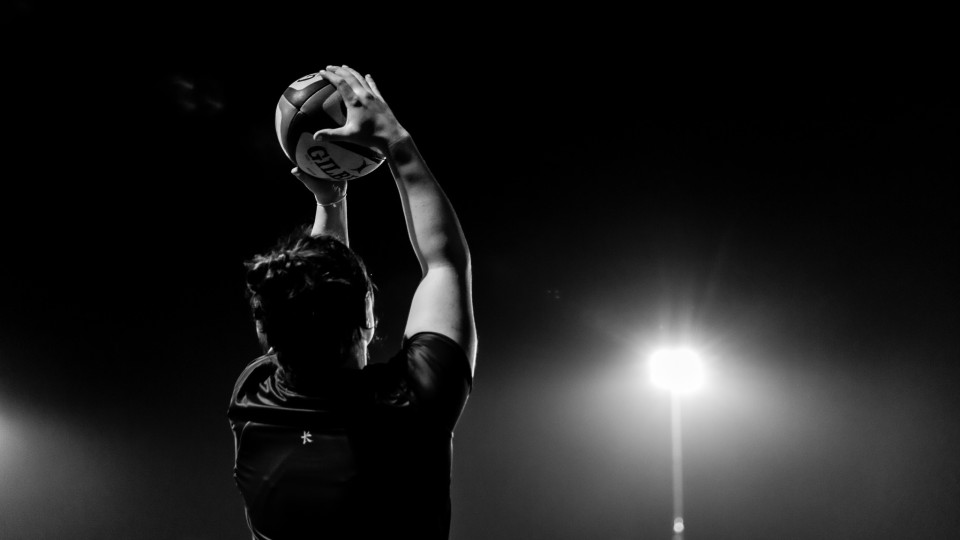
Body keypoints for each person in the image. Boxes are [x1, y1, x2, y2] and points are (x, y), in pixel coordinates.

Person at [227, 65, 477, 540]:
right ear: (368, 320)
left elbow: (442, 266)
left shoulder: (254, 402)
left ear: (267, 334)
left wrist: (331, 203)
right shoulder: (415, 404)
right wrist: (396, 140)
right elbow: (445, 262)